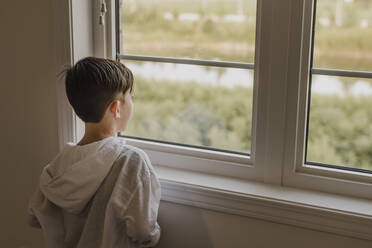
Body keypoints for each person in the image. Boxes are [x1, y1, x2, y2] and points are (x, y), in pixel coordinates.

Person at [28, 57, 161, 248]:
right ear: (115, 108)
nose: (132, 102)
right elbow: (143, 232)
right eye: (131, 97)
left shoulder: (59, 164)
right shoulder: (131, 161)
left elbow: (33, 218)